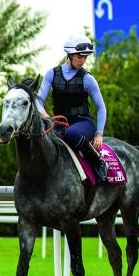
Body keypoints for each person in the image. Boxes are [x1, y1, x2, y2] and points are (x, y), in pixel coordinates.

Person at [35, 34, 109, 182]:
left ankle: (98, 161)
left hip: (83, 124)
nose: (83, 61)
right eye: (79, 57)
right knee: (40, 138)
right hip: (59, 123)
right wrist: (46, 117)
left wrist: (99, 134)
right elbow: (38, 100)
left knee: (70, 134)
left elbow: (101, 108)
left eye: (85, 58)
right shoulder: (51, 74)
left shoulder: (88, 79)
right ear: (69, 55)